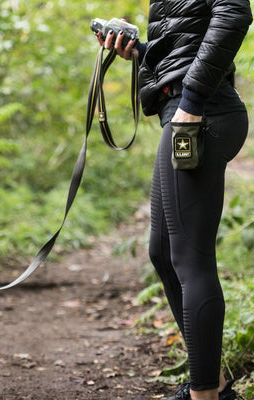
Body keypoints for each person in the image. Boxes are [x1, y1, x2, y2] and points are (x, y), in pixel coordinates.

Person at [97, 1, 252, 400]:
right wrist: (141, 51)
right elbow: (185, 46)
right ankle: (212, 383)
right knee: (163, 251)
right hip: (184, 109)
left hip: (202, 112)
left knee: (190, 258)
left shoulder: (197, 102)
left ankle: (205, 396)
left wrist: (193, 100)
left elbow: (234, 14)